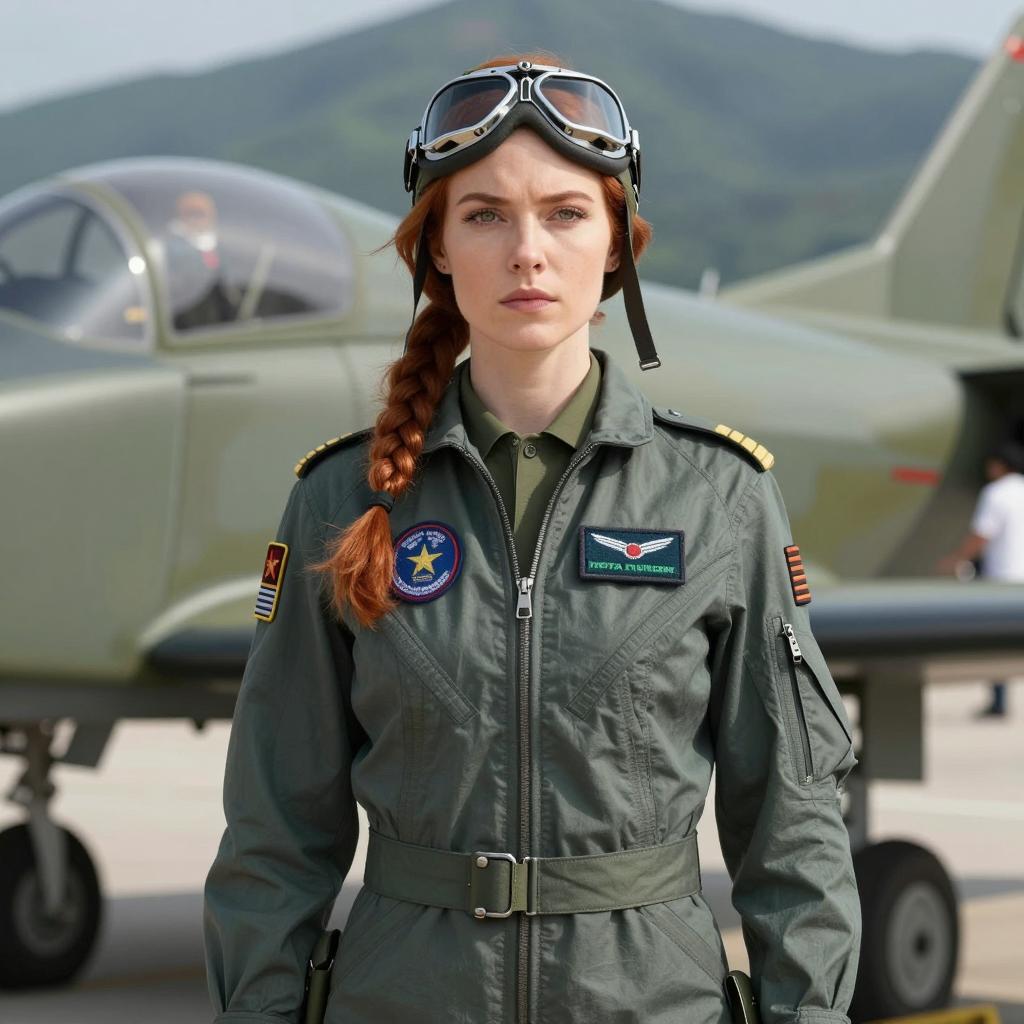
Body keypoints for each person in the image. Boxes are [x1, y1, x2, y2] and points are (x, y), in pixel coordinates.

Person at [202, 52, 861, 1024]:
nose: (527, 252)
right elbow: (274, 824)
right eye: (484, 216)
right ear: (436, 249)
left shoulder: (718, 497)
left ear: (616, 246)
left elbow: (791, 823)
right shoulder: (339, 497)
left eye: (565, 213)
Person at [936, 438, 1024, 717]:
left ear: (999, 465)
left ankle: (999, 702)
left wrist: (955, 560)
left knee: (998, 644)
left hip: (1003, 579)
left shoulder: (996, 493)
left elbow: (981, 535)